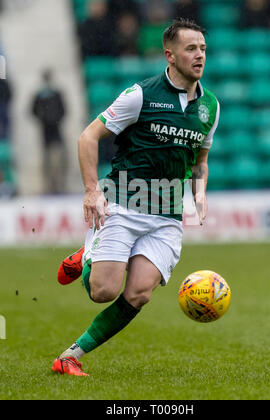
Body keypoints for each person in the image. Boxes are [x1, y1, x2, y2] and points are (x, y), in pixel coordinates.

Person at [52, 18, 220, 376]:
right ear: (169, 55)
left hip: (167, 215)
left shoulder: (211, 109)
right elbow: (87, 137)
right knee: (102, 291)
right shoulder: (140, 94)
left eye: (203, 48)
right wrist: (91, 190)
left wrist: (200, 192)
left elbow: (200, 160)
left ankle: (69, 356)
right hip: (123, 204)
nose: (200, 55)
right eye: (191, 48)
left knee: (139, 293)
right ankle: (87, 256)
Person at [31, 70, 66, 194]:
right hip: (46, 131)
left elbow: (64, 110)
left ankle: (59, 184)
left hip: (55, 130)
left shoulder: (56, 93)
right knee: (47, 159)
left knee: (58, 158)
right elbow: (33, 111)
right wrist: (44, 119)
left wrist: (55, 119)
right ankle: (48, 185)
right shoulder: (40, 95)